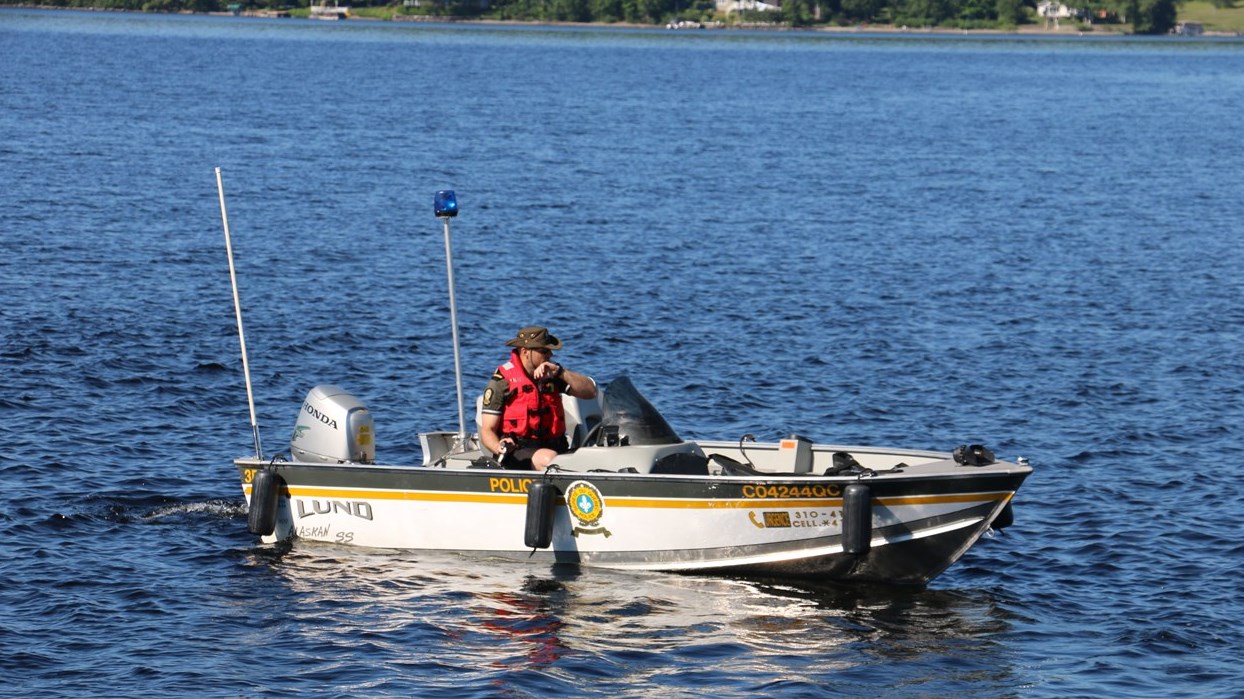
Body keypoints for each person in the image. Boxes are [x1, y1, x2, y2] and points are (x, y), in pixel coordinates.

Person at [478, 325, 597, 471]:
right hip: (517, 453)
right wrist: (498, 447)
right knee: (549, 459)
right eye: (544, 351)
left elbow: (591, 392)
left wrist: (560, 372)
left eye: (550, 351)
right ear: (525, 352)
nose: (550, 355)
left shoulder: (552, 374)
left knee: (591, 458)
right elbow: (487, 430)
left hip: (557, 448)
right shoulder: (502, 381)